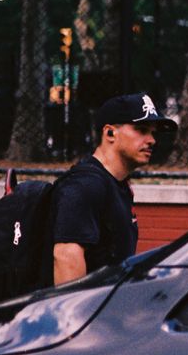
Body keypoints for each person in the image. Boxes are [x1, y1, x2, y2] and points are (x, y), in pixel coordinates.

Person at [51, 92, 178, 286]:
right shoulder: (85, 185)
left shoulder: (117, 185)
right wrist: (80, 315)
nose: (152, 140)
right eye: (141, 130)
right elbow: (66, 257)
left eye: (153, 133)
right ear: (110, 133)